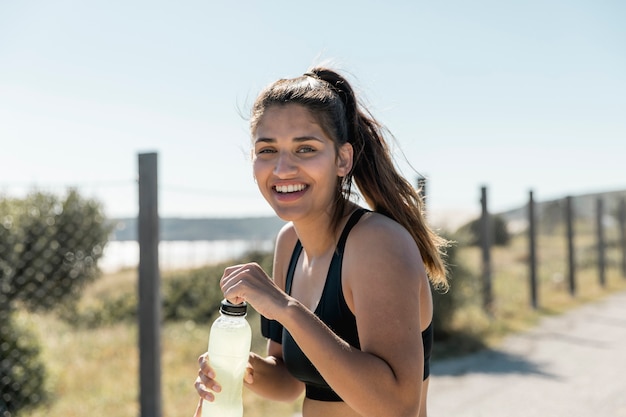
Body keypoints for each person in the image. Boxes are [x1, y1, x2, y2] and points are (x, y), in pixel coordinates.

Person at [194, 67, 449, 417]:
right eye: (267, 150)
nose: (282, 168)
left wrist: (286, 308)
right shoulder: (290, 244)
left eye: (305, 149)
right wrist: (235, 366)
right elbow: (289, 383)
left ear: (342, 158)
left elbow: (397, 406)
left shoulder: (377, 243)